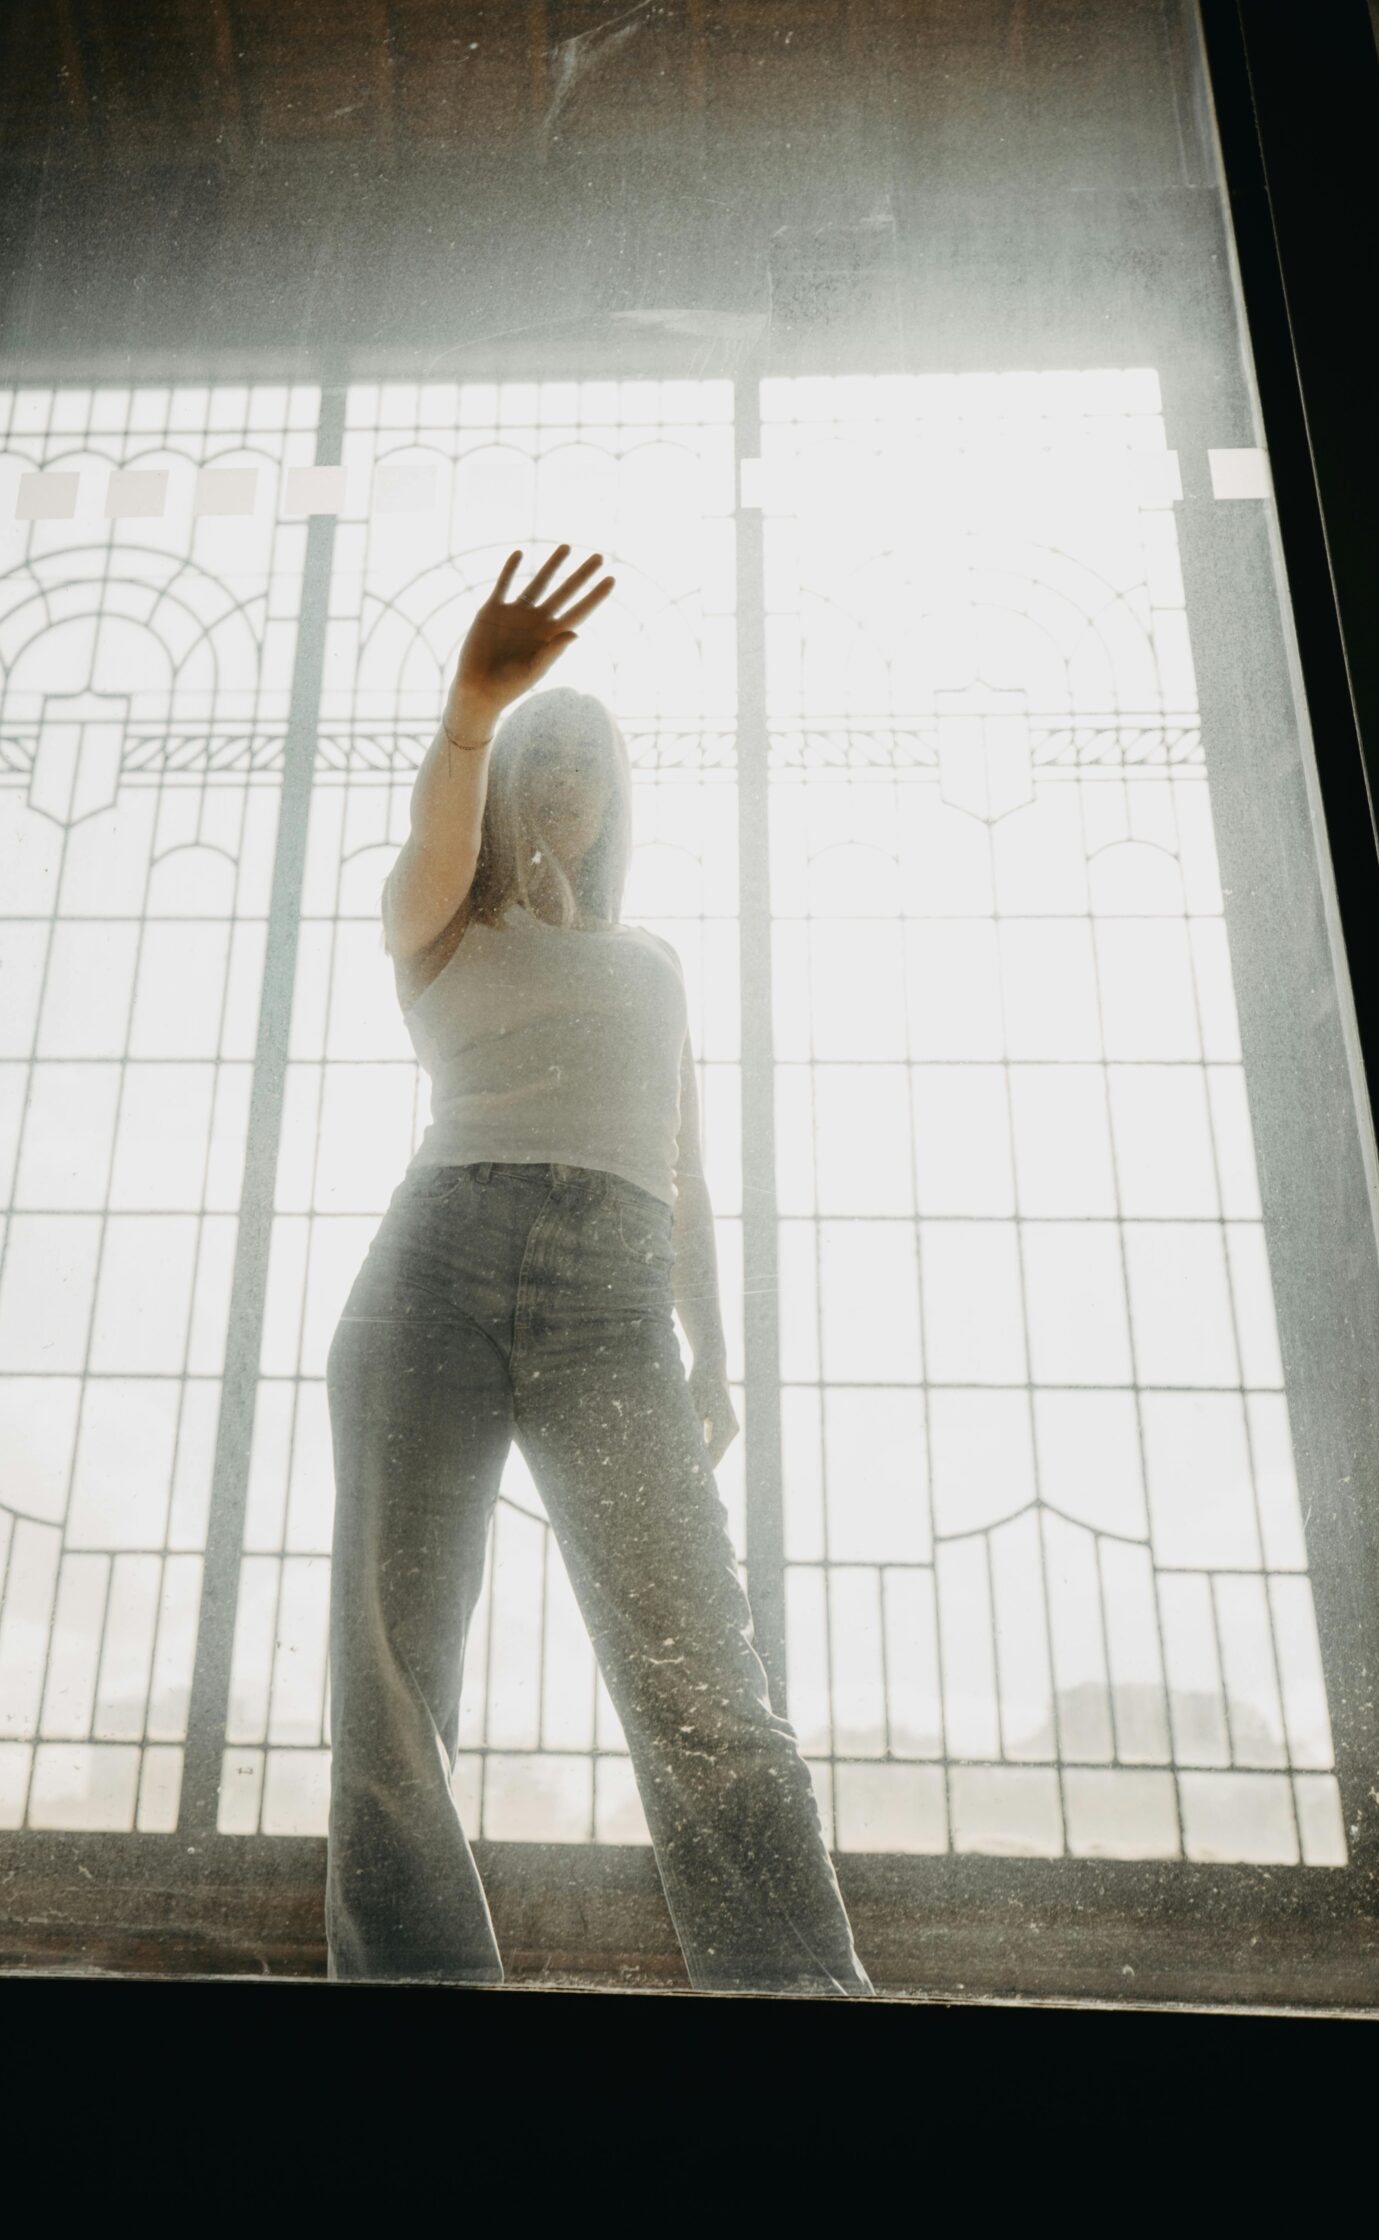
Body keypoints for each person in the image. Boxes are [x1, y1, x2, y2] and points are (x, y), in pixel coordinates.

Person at [324, 540, 872, 1995]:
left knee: (706, 1683)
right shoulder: (439, 919)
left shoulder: (657, 967)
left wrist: (717, 1353)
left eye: (589, 757)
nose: (563, 772)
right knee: (390, 1682)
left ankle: (804, 2008)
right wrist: (471, 708)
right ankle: (414, 2011)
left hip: (617, 1303)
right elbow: (440, 832)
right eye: (540, 750)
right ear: (507, 775)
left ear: (621, 795)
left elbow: (686, 1176)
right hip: (433, 1271)